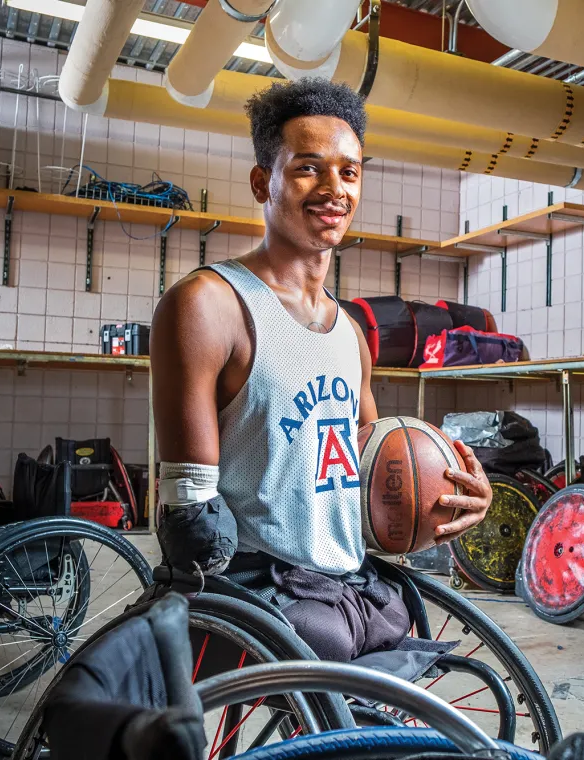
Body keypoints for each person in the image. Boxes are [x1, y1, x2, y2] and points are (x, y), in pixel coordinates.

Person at [149, 78, 493, 663]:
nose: (334, 190)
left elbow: (365, 479)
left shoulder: (351, 335)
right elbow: (191, 516)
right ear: (264, 181)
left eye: (350, 172)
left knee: (405, 627)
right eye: (309, 169)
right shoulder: (207, 305)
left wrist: (444, 499)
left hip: (345, 581)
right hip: (263, 588)